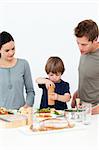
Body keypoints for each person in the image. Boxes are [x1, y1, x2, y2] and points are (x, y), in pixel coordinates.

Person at [0, 31, 35, 109]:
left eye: (13, 49)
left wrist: (27, 105)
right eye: (7, 50)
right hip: (1, 115)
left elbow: (30, 91)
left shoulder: (23, 64)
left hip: (20, 114)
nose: (11, 52)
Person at [71, 19, 99, 114]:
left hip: (94, 112)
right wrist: (78, 92)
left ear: (95, 39)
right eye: (78, 43)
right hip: (82, 108)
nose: (80, 47)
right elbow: (92, 77)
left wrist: (90, 111)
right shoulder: (85, 51)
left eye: (84, 44)